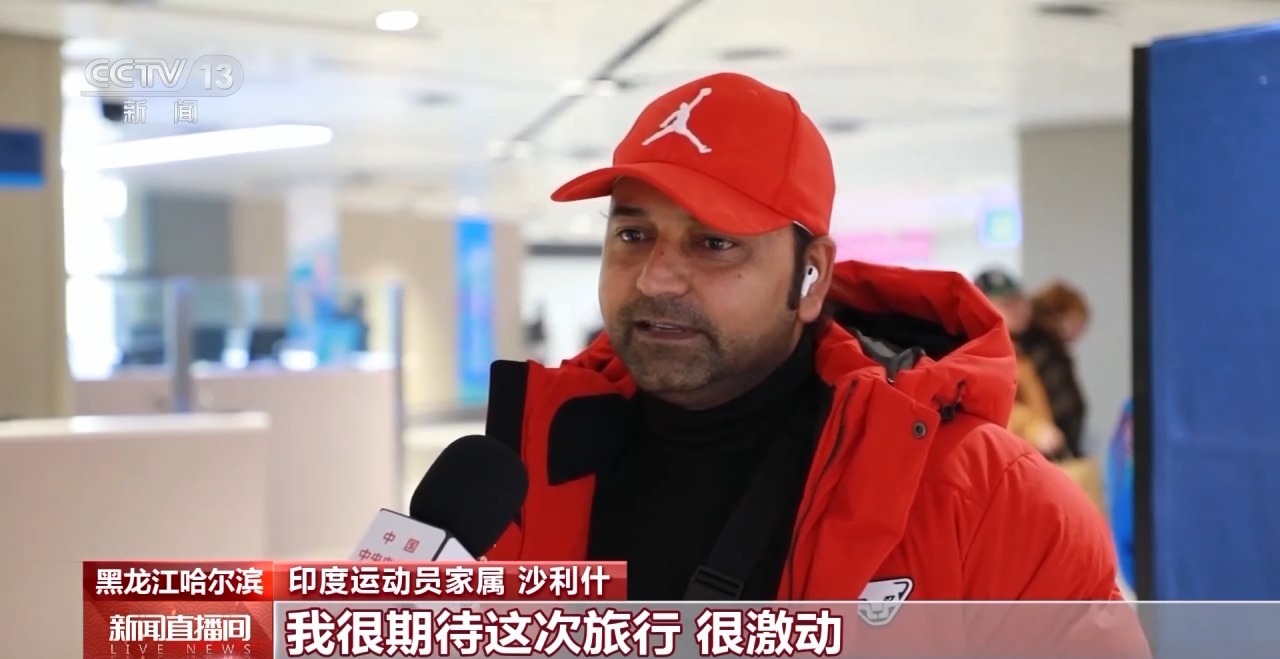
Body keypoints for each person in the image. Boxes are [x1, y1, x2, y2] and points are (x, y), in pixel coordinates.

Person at [482, 73, 1131, 616]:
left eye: (714, 242)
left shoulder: (992, 505)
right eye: (632, 235)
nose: (656, 277)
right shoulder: (515, 480)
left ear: (810, 274)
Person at [973, 268, 1064, 458]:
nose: (1018, 309)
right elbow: (985, 403)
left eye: (1019, 299)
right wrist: (1033, 428)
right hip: (1006, 457)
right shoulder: (982, 352)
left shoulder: (1026, 344)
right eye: (1006, 303)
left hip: (1030, 455)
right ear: (982, 307)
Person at [1021, 280, 1091, 458]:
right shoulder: (1040, 347)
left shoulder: (1047, 346)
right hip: (1047, 445)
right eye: (1078, 320)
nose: (1081, 331)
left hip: (1056, 444)